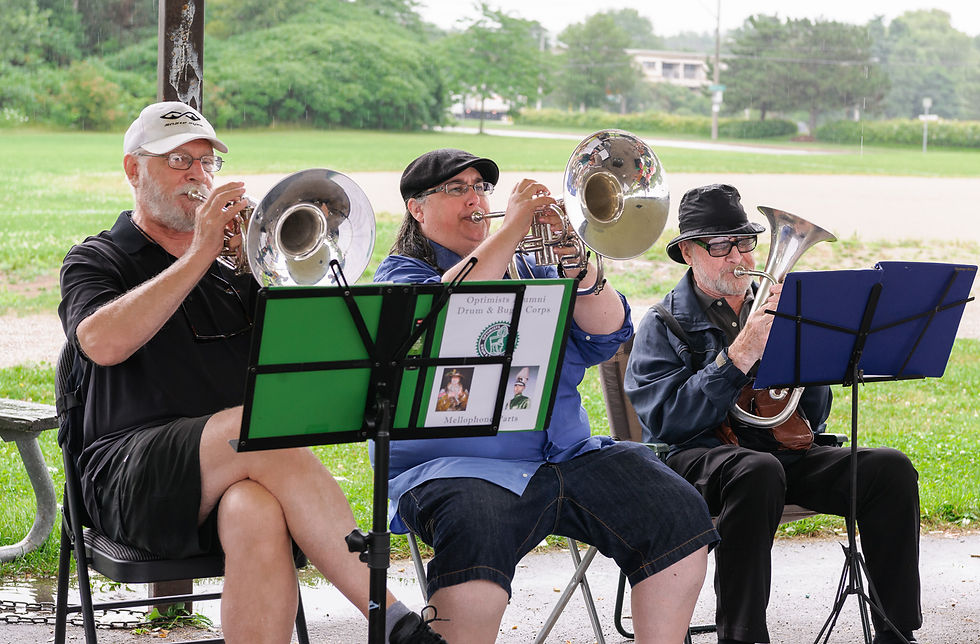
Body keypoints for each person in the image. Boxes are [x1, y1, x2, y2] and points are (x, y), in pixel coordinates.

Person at [57, 101, 445, 644]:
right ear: (133, 169)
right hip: (126, 478)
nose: (197, 175)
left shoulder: (236, 270)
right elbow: (100, 343)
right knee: (257, 431)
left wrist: (265, 272)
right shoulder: (97, 259)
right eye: (178, 162)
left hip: (235, 474)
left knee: (255, 510)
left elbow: (310, 356)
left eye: (206, 163)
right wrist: (197, 255)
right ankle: (394, 620)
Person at [372, 148, 719, 644]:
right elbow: (444, 312)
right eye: (457, 189)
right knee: (476, 528)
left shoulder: (531, 267)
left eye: (481, 188)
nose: (475, 199)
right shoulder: (402, 276)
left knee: (676, 511)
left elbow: (609, 330)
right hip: (455, 467)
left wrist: (574, 258)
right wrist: (509, 229)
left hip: (566, 455)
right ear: (416, 208)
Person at [624, 183, 922, 644]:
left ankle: (895, 630)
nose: (739, 256)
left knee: (889, 468)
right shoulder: (663, 324)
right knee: (756, 471)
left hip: (777, 455)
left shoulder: (774, 310)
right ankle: (742, 635)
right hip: (696, 459)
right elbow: (667, 422)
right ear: (687, 252)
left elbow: (814, 419)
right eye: (721, 245)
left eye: (745, 242)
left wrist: (806, 352)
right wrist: (736, 358)